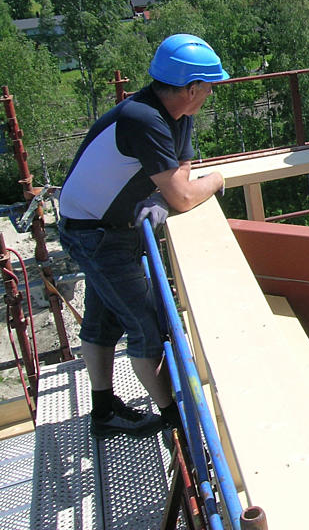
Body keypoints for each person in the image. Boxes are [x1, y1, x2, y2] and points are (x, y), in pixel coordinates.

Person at [57, 34, 228, 439]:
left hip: (105, 227)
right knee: (148, 324)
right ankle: (174, 418)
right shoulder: (144, 119)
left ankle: (103, 410)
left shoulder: (175, 115)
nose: (209, 93)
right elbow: (184, 195)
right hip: (94, 234)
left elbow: (180, 172)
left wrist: (167, 192)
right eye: (207, 86)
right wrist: (216, 179)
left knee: (103, 322)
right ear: (190, 89)